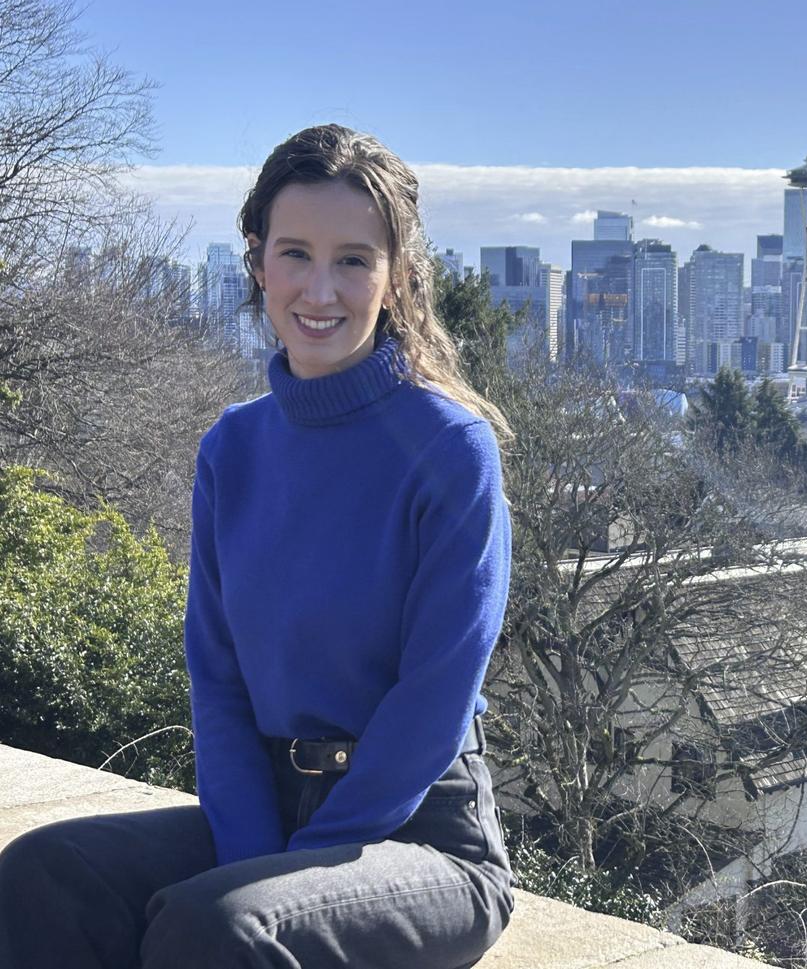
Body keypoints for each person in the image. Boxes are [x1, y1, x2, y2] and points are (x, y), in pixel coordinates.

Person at [0, 124, 516, 968]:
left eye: (354, 259)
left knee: (222, 927)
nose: (321, 288)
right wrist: (251, 851)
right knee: (43, 874)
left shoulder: (450, 448)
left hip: (422, 837)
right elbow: (219, 674)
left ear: (396, 276)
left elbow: (435, 699)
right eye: (296, 253)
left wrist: (276, 873)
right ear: (257, 261)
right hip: (267, 810)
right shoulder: (233, 448)